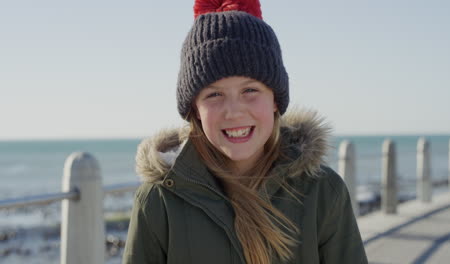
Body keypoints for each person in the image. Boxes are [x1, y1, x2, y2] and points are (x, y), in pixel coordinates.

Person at [123, 0, 368, 263]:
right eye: (214, 94)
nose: (234, 111)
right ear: (195, 109)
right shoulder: (159, 201)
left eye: (250, 90)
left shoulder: (322, 192)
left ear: (275, 100)